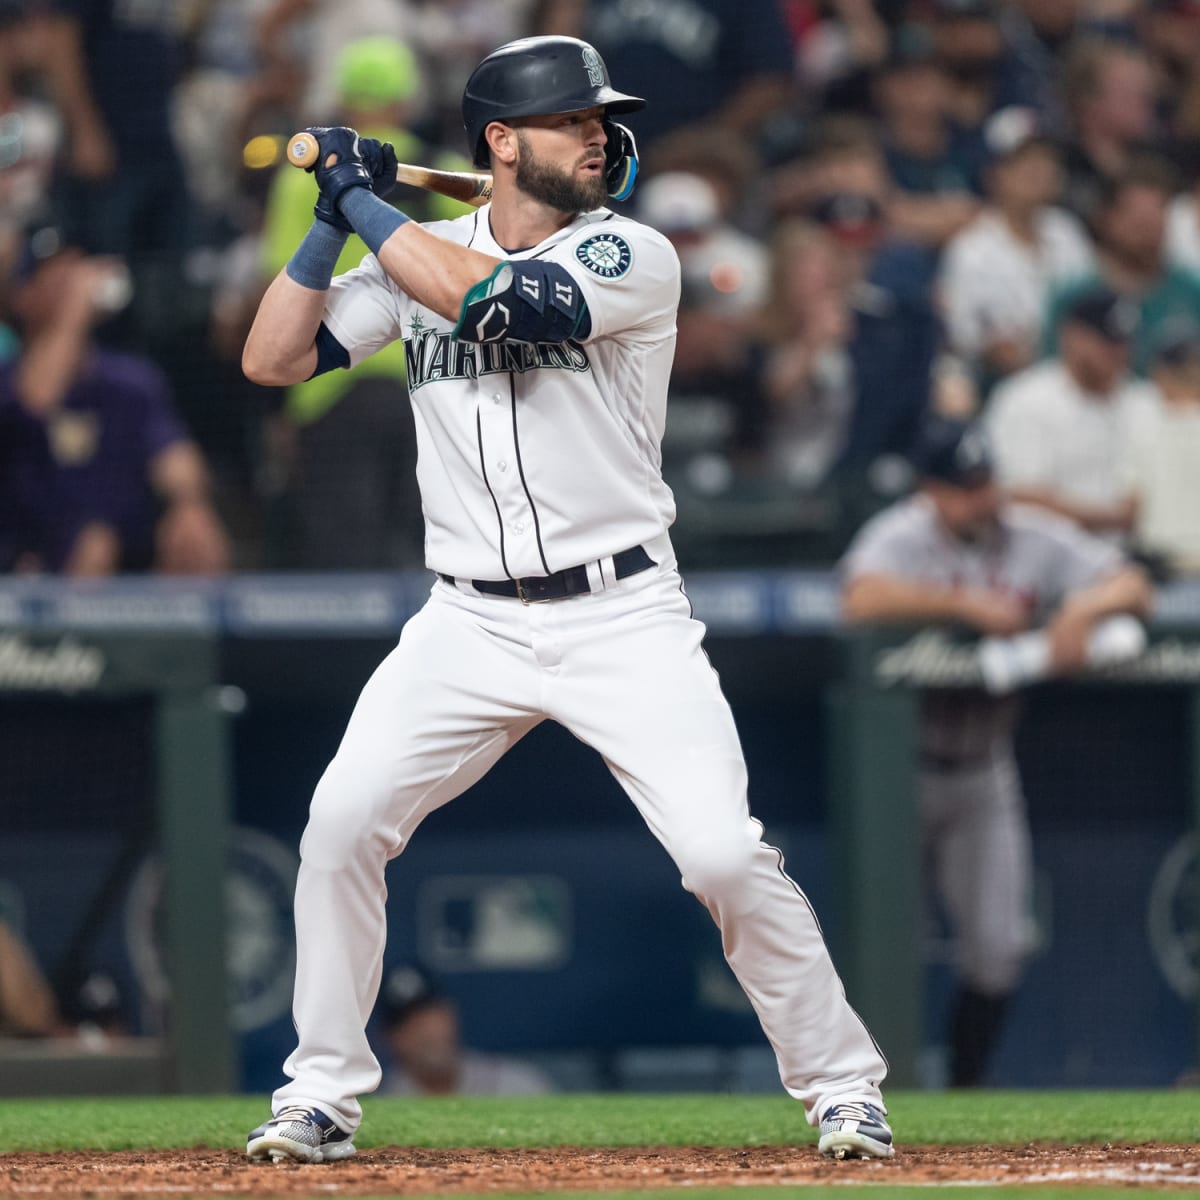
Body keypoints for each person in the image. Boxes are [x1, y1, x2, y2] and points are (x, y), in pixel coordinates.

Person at [241, 34, 893, 1165]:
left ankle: (843, 1084)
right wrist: (330, 223)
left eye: (601, 119)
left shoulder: (631, 255)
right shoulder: (417, 252)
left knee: (722, 858)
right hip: (468, 622)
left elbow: (501, 305)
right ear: (501, 141)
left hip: (621, 615)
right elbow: (273, 361)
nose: (599, 135)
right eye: (572, 121)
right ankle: (320, 1094)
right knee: (340, 825)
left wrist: (366, 201)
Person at [839, 414, 1153, 1086]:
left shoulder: (1028, 535)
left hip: (983, 770)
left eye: (987, 482)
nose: (982, 497)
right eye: (965, 487)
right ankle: (865, 1093)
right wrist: (962, 604)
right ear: (932, 489)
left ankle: (963, 1093)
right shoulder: (902, 535)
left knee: (999, 949)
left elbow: (1133, 583)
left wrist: (1081, 611)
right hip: (900, 772)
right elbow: (859, 597)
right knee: (883, 949)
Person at [0, 222, 230, 575]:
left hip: (125, 546)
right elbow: (36, 402)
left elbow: (173, 453)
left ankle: (180, 630)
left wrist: (188, 501)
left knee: (194, 529)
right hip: (27, 552)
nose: (74, 279)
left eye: (78, 268)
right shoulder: (11, 374)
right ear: (23, 294)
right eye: (57, 272)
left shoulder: (130, 380)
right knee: (93, 545)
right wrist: (73, 310)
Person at [938, 106, 1095, 394]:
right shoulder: (971, 250)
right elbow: (959, 341)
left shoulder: (1067, 232)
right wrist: (989, 348)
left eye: (1047, 160)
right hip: (1000, 388)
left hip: (1074, 383)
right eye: (1024, 161)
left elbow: (1091, 306)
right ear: (994, 174)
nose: (1040, 170)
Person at [986, 282, 1159, 544]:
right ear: (1071, 335)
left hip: (1142, 554)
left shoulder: (1147, 401)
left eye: (1124, 341)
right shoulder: (1026, 398)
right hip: (1051, 554)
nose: (1116, 352)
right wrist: (1113, 517)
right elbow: (1019, 497)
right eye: (1105, 341)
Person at [374, 963, 554, 1096]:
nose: (425, 1033)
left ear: (451, 1016)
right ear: (388, 1039)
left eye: (431, 1016)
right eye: (408, 1024)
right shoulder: (386, 1104)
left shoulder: (517, 1087)